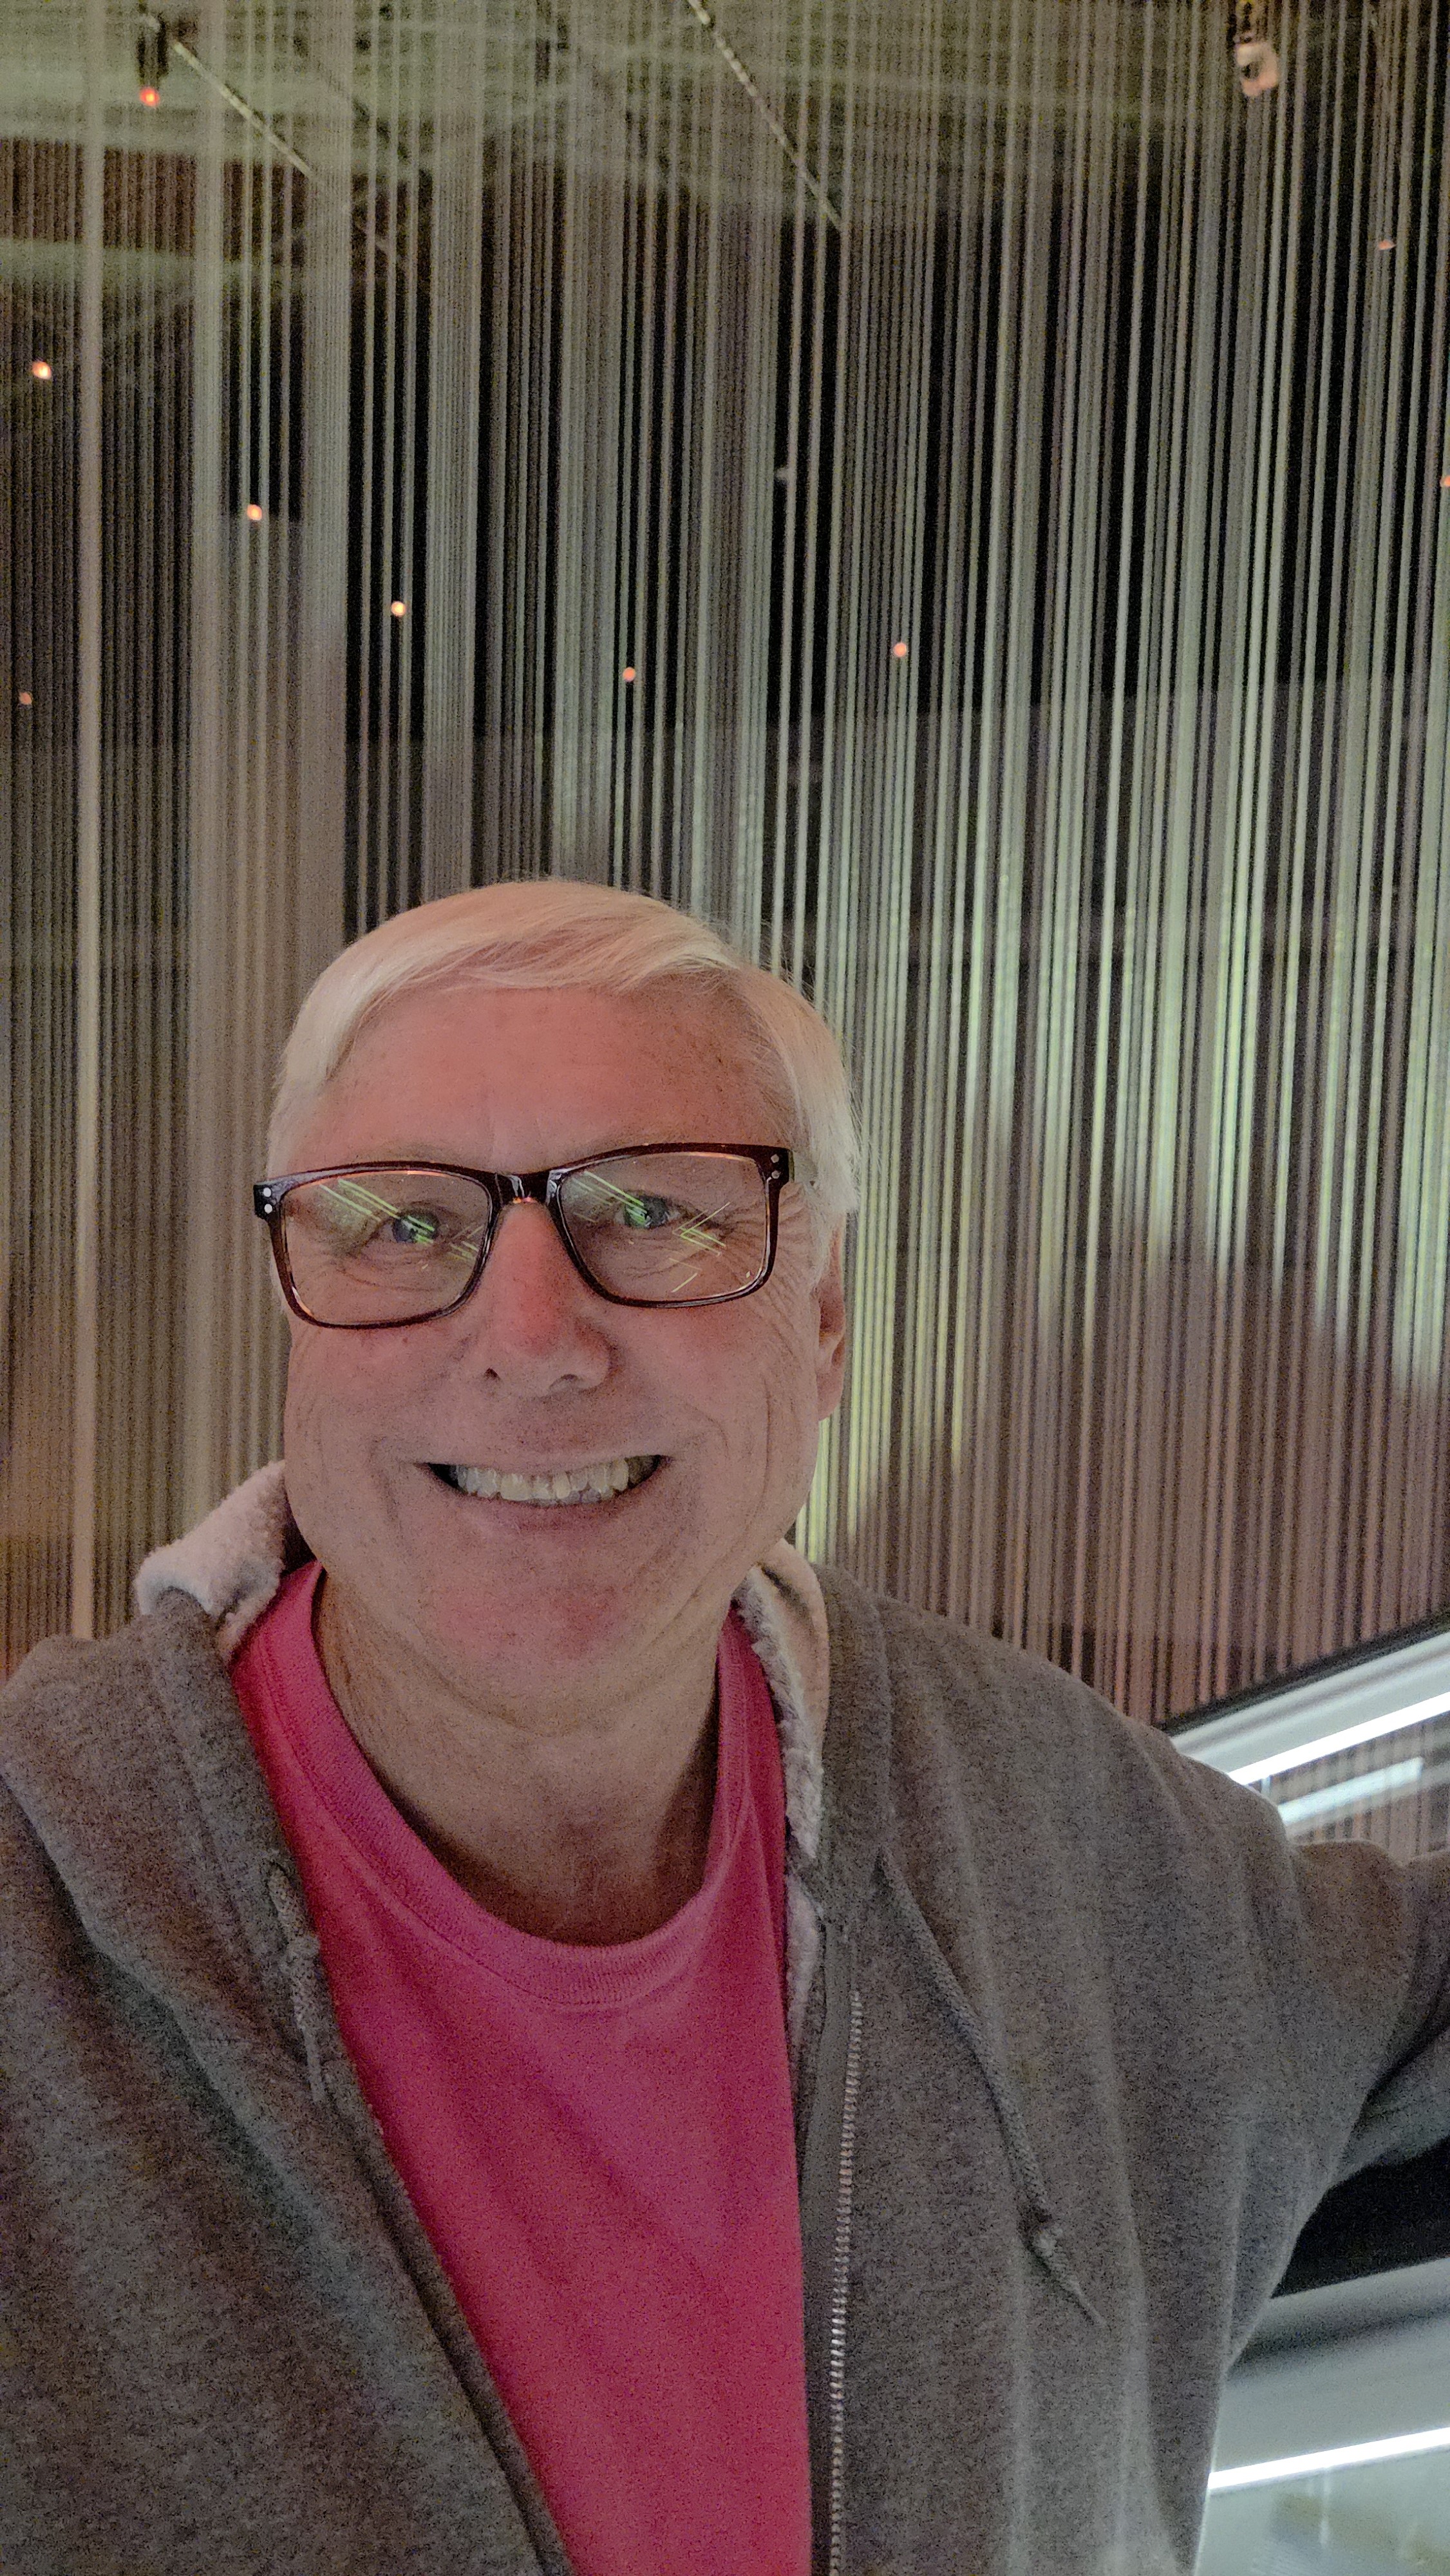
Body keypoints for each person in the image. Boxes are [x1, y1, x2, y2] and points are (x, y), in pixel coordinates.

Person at [3, 876, 1449, 2576]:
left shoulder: (1051, 1825)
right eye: (402, 1228)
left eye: (651, 1213)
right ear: (294, 1316)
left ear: (822, 1324)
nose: (530, 1342)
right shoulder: (38, 1915)